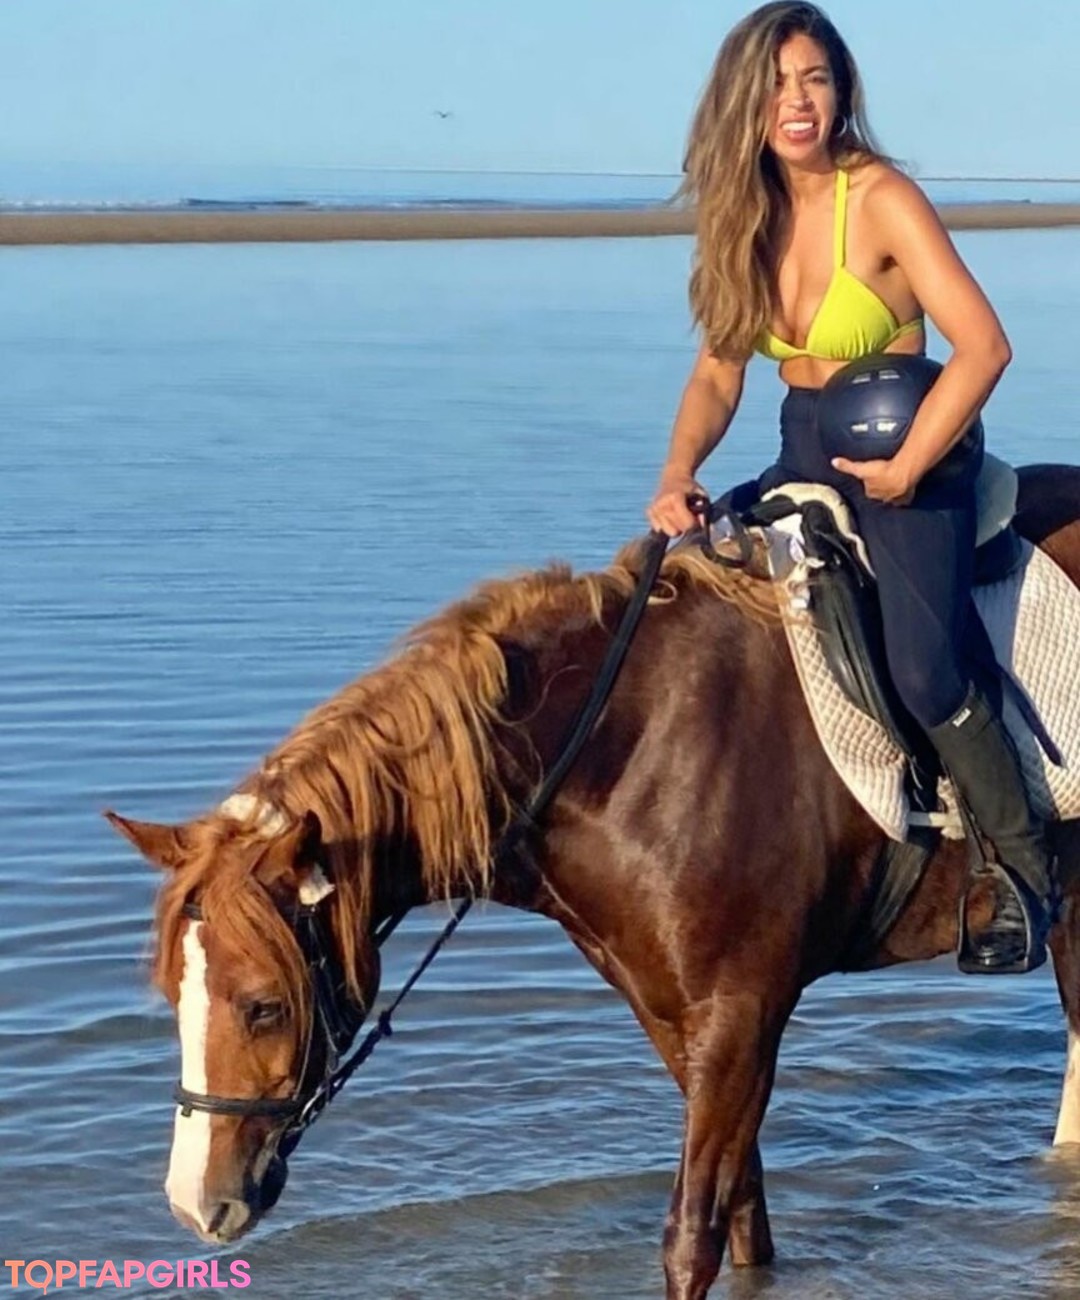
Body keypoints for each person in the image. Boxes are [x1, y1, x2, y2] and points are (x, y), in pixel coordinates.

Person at [646, 0, 1056, 973]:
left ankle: (1023, 874)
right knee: (689, 604)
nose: (797, 101)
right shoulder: (741, 217)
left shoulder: (881, 199)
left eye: (815, 80)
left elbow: (984, 345)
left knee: (924, 669)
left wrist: (912, 467)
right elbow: (718, 374)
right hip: (803, 446)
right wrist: (678, 471)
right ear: (742, 102)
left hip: (917, 447)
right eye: (776, 84)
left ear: (841, 93)